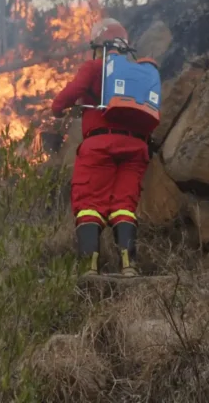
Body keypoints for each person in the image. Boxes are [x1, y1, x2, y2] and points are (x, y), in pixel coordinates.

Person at [51, 18, 156, 277]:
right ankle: (128, 266)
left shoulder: (95, 66)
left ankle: (90, 267)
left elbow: (69, 94)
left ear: (100, 45)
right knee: (124, 205)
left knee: (89, 203)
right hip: (135, 148)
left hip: (100, 145)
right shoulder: (138, 73)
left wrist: (57, 109)